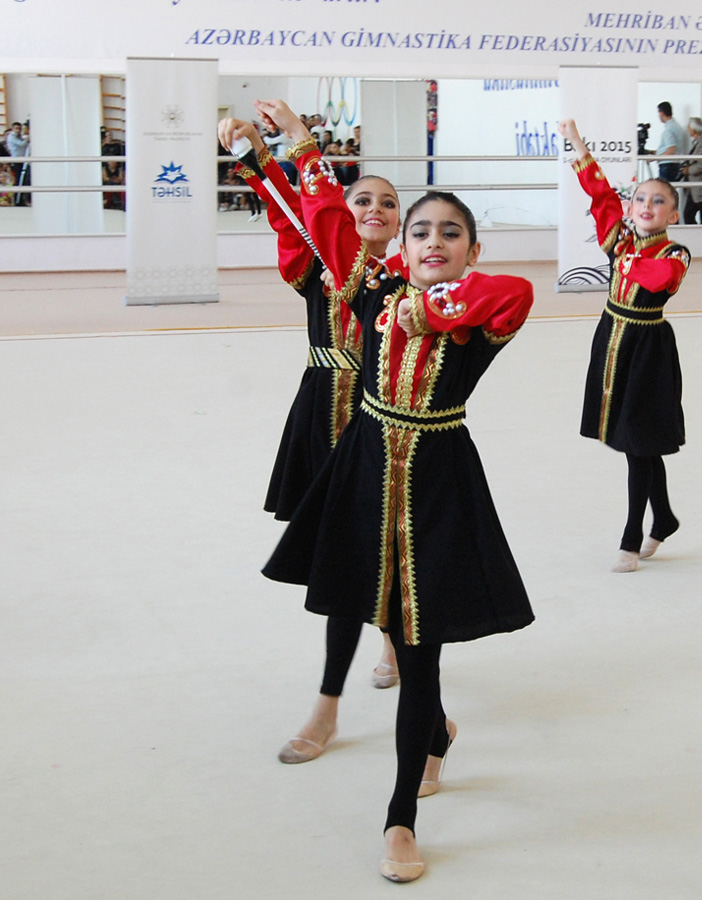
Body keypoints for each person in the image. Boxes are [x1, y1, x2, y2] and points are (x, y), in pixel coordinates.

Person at [255, 97, 534, 883]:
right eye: (420, 231)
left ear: (471, 248)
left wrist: (428, 305)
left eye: (451, 232)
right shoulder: (371, 294)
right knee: (347, 595)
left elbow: (510, 294)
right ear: (399, 248)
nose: (433, 240)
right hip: (364, 468)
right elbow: (332, 228)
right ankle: (347, 709)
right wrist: (302, 148)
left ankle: (400, 817)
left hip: (440, 483)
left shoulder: (477, 309)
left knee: (422, 655)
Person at [218, 115, 405, 764]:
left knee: (381, 547)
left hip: (383, 424)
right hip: (322, 414)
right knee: (344, 556)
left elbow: (312, 208)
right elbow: (286, 209)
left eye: (388, 202)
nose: (375, 208)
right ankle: (330, 700)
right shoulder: (319, 267)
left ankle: (377, 655)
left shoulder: (405, 284)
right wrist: (253, 151)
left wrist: (294, 145)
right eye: (362, 199)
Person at [559, 118, 689, 573]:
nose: (647, 206)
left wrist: (630, 256)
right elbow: (598, 195)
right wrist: (577, 145)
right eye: (640, 199)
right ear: (630, 207)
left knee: (640, 443)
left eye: (659, 202)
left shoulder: (673, 254)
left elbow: (660, 279)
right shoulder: (620, 239)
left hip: (647, 349)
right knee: (635, 443)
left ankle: (632, 536)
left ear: (673, 214)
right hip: (612, 339)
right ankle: (665, 517)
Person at [655, 101, 688, 182]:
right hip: (675, 164)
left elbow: (671, 150)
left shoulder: (668, 130)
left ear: (662, 113)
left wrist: (655, 158)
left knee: (664, 191)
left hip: (667, 165)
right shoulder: (677, 126)